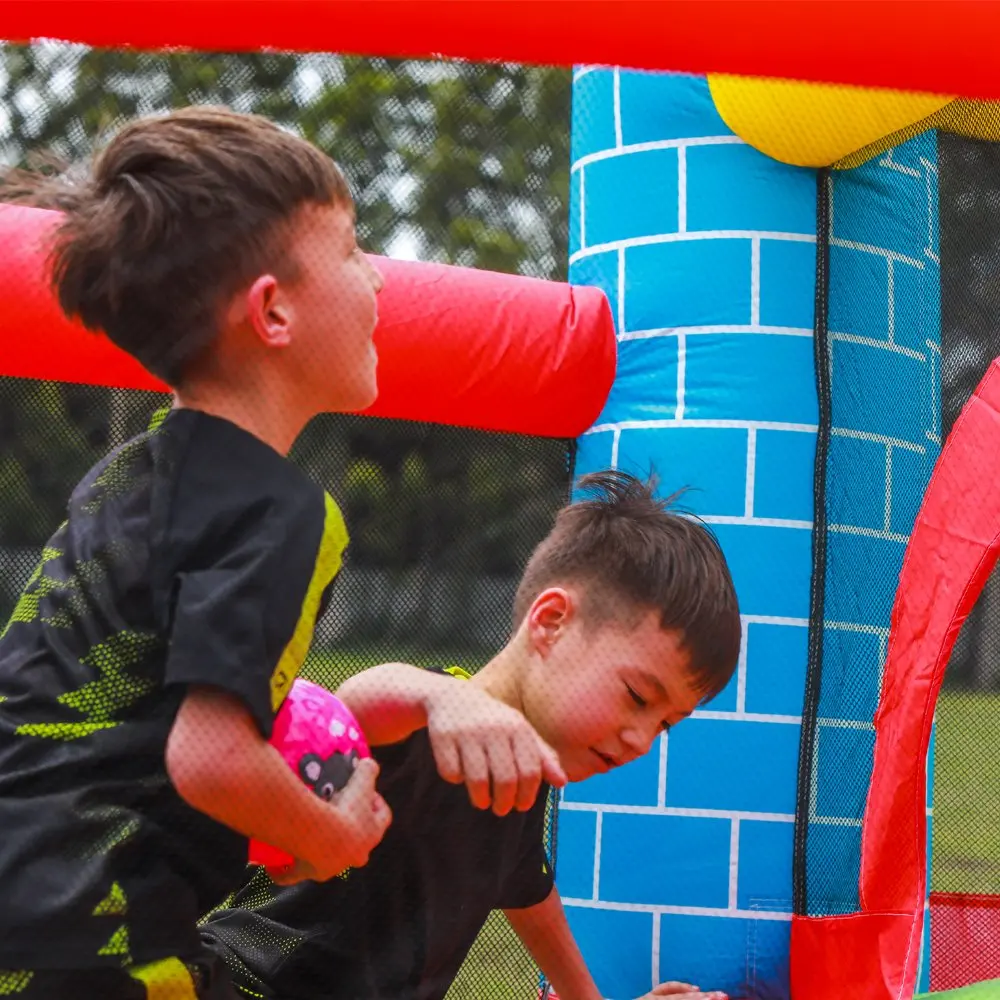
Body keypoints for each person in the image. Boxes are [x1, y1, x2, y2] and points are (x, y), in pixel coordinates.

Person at [0, 106, 403, 1000]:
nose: (377, 274)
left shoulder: (128, 474)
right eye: (351, 250)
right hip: (92, 939)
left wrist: (264, 822)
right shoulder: (278, 511)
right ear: (273, 310)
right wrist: (329, 834)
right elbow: (211, 758)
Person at [201, 469, 741, 1000]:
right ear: (551, 621)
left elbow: (532, 896)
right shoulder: (433, 719)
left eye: (664, 725)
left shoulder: (525, 782)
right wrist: (438, 698)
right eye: (638, 697)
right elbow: (355, 706)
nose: (642, 741)